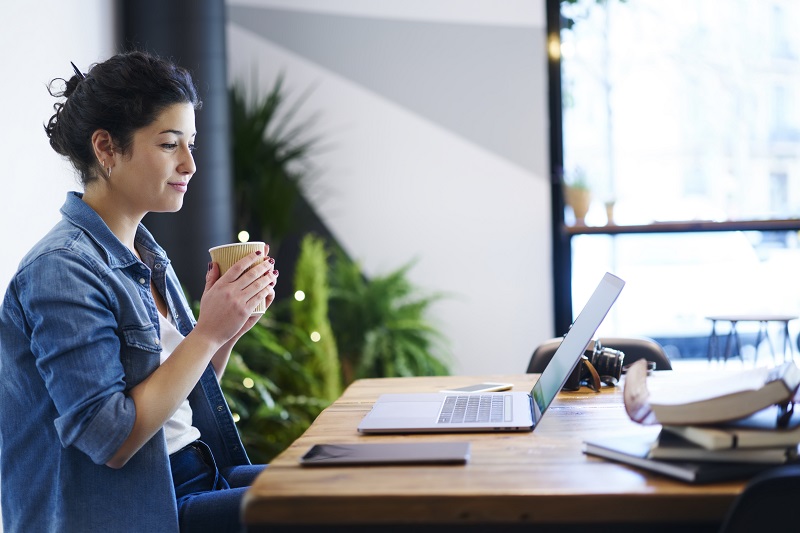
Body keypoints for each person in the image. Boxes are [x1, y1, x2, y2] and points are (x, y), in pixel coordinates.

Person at [0, 51, 279, 533]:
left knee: (341, 487)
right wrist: (208, 332)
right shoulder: (60, 271)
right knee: (332, 510)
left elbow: (176, 391)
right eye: (170, 144)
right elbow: (111, 440)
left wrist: (229, 330)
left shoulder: (146, 254)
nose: (190, 164)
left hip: (193, 474)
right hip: (141, 506)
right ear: (106, 148)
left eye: (191, 144)